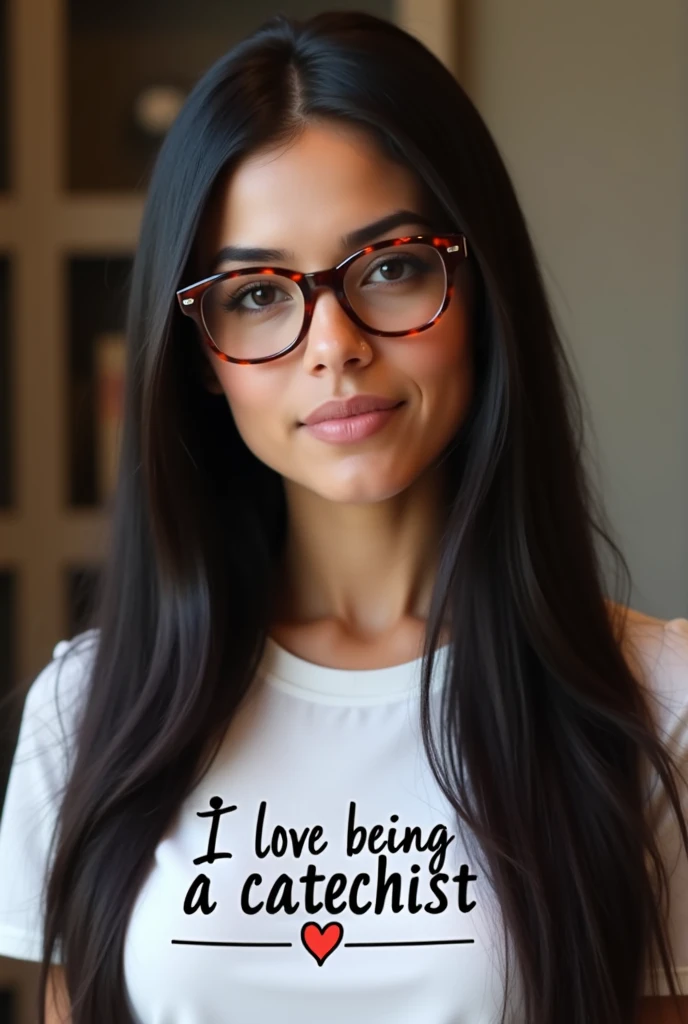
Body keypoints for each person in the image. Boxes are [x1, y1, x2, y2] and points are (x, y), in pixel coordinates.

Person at [0, 10, 686, 1024]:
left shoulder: (653, 704)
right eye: (258, 293)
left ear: (478, 287)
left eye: (394, 265)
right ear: (199, 353)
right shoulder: (89, 707)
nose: (333, 345)